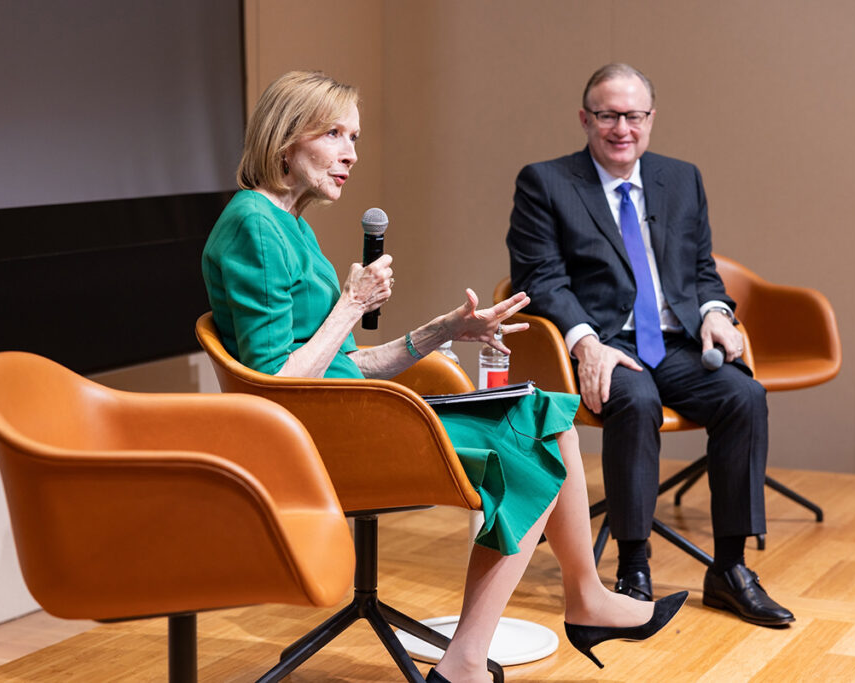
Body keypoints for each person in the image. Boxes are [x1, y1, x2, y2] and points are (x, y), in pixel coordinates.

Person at [202, 71, 686, 683]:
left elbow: (342, 363)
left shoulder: (289, 223)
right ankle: (467, 662)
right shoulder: (254, 224)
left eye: (355, 136)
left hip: (347, 413)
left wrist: (443, 330)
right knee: (528, 452)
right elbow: (278, 381)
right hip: (320, 438)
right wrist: (352, 304)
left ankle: (582, 599)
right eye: (334, 135)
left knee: (547, 412)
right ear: (285, 141)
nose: (352, 152)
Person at [506, 63, 794, 628]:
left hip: (676, 343)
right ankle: (633, 567)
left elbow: (701, 268)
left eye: (633, 115)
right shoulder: (546, 182)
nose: (622, 128)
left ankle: (730, 569)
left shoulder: (681, 178)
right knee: (634, 401)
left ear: (651, 119)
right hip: (606, 341)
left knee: (745, 397)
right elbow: (538, 278)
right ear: (585, 119)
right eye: (608, 115)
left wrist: (714, 311)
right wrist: (585, 342)